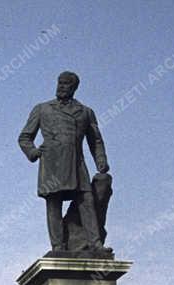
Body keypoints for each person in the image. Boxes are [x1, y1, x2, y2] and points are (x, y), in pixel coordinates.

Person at [18, 71, 110, 254]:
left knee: (87, 201)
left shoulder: (86, 112)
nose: (61, 86)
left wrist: (101, 160)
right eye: (59, 82)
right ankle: (58, 247)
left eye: (66, 83)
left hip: (77, 163)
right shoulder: (42, 108)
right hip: (52, 163)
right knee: (54, 204)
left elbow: (95, 140)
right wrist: (34, 152)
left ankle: (95, 245)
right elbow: (25, 137)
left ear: (74, 87)